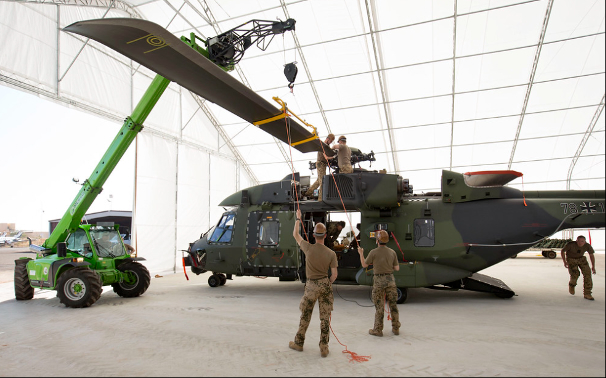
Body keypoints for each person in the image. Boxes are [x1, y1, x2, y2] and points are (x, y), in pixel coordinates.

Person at [289, 209, 338, 358]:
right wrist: (327, 282)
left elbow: (295, 235)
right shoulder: (331, 253)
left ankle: (299, 342)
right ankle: (324, 347)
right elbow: (334, 275)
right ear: (325, 235)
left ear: (314, 235)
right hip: (324, 284)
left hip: (310, 286)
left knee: (305, 315)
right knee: (325, 317)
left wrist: (298, 219)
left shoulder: (308, 248)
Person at [357, 230, 401, 336]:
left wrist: (361, 253)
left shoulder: (373, 252)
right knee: (393, 305)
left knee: (379, 306)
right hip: (390, 280)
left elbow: (364, 265)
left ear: (377, 240)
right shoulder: (392, 252)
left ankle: (378, 330)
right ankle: (396, 328)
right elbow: (397, 268)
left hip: (378, 281)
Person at [561, 235, 596, 300]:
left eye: (582, 241)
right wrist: (565, 261)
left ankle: (587, 293)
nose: (580, 243)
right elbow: (562, 251)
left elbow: (591, 255)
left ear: (585, 242)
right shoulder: (570, 245)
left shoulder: (587, 246)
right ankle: (572, 285)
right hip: (571, 259)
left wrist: (593, 266)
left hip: (581, 259)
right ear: (576, 241)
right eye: (579, 241)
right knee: (575, 274)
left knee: (587, 274)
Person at [305, 134, 335, 201]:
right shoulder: (323, 145)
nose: (330, 142)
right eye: (330, 141)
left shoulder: (326, 146)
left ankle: (307, 193)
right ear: (328, 139)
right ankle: (320, 199)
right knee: (322, 181)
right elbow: (326, 157)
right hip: (320, 164)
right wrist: (334, 157)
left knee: (319, 181)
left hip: (322, 164)